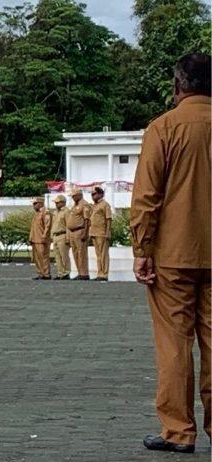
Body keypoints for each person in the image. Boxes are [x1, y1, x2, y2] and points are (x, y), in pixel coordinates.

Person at [131, 53, 211, 454]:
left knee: (175, 344)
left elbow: (147, 196)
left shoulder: (163, 127)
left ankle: (179, 431)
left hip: (173, 256)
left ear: (179, 86)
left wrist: (142, 248)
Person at [66, 189, 91, 280]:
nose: (73, 198)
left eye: (74, 196)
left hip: (80, 231)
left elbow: (87, 220)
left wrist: (85, 233)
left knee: (82, 253)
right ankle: (80, 272)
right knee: (75, 253)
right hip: (72, 232)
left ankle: (84, 273)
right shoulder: (74, 206)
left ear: (79, 195)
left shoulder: (84, 205)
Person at [89, 186, 112, 281]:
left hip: (102, 232)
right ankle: (100, 273)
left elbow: (108, 219)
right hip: (94, 232)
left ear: (100, 194)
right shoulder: (94, 206)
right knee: (98, 255)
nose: (93, 196)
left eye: (94, 194)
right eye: (92, 194)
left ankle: (104, 274)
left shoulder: (105, 205)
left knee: (103, 255)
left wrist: (108, 232)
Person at [28, 197, 52, 280]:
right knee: (37, 258)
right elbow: (33, 227)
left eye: (35, 204)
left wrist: (45, 236)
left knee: (44, 257)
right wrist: (31, 237)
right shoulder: (36, 214)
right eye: (33, 204)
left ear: (41, 203)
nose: (34, 206)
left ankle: (46, 273)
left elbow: (47, 226)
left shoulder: (45, 213)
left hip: (42, 239)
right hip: (35, 238)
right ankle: (40, 273)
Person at [51, 195, 71, 280]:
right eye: (56, 203)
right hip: (55, 235)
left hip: (62, 234)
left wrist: (68, 237)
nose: (56, 204)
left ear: (63, 202)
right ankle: (60, 273)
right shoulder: (55, 212)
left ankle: (66, 272)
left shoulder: (66, 212)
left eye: (58, 202)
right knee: (57, 256)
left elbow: (68, 225)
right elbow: (53, 224)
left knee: (64, 256)